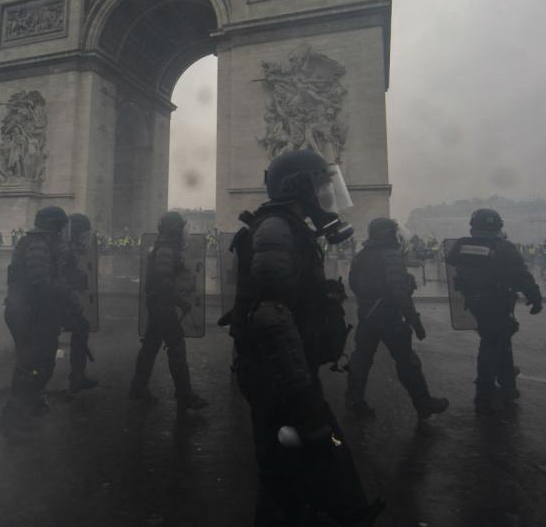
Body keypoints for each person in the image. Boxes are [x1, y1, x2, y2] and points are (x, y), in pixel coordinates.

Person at [226, 149, 382, 526]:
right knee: (302, 450)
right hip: (280, 374)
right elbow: (271, 315)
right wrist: (300, 386)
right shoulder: (278, 229)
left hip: (281, 369)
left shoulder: (288, 226)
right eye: (320, 186)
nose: (328, 195)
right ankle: (346, 511)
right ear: (300, 188)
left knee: (289, 463)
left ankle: (340, 509)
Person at [345, 218, 448, 420]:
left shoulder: (361, 255)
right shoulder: (391, 255)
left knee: (361, 359)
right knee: (407, 361)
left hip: (367, 316)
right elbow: (400, 293)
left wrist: (368, 300)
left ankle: (354, 401)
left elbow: (353, 284)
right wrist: (414, 321)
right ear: (387, 234)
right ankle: (424, 404)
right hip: (389, 317)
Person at [446, 209, 543, 415]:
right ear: (499, 226)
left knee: (500, 339)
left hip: (474, 301)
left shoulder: (462, 244)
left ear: (474, 225)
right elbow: (521, 275)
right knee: (492, 343)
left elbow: (451, 260)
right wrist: (535, 297)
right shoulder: (505, 247)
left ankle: (507, 385)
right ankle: (485, 392)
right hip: (498, 302)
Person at [0, 206, 71, 435]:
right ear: (53, 226)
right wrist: (63, 291)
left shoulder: (41, 242)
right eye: (59, 227)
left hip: (29, 310)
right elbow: (40, 281)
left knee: (39, 362)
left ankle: (30, 404)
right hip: (29, 312)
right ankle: (13, 418)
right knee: (31, 365)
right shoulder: (39, 244)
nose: (61, 232)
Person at [129, 212, 208, 413]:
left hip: (158, 304)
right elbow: (164, 282)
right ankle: (184, 394)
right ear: (174, 229)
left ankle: (138, 387)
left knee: (150, 346)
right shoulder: (166, 249)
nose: (183, 232)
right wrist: (181, 301)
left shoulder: (163, 246)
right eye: (180, 228)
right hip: (163, 306)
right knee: (177, 347)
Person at [63, 213, 99, 393]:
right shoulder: (66, 250)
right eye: (84, 234)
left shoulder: (67, 248)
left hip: (59, 300)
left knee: (82, 326)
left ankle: (78, 376)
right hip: (54, 302)